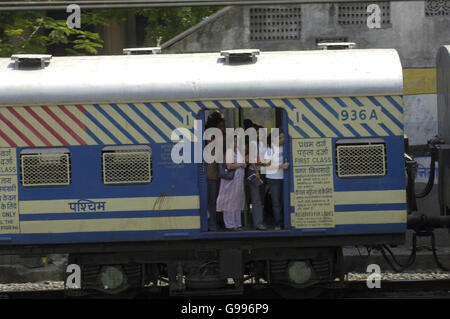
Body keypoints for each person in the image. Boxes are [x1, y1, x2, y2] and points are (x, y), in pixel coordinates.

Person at [216, 136, 246, 231]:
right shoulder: (229, 152)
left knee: (237, 200)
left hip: (237, 180)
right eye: (235, 141)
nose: (237, 143)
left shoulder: (237, 151)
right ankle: (230, 224)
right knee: (229, 200)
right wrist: (241, 165)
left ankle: (237, 222)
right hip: (231, 180)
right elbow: (229, 166)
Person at [264, 130, 289, 230]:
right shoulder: (269, 150)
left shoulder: (285, 147)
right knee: (276, 202)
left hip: (284, 178)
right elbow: (267, 166)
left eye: (283, 137)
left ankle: (285, 222)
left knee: (285, 201)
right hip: (273, 178)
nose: (282, 140)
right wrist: (281, 166)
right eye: (280, 138)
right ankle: (278, 224)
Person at [205, 111, 225, 231]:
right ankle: (211, 224)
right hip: (211, 176)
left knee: (213, 201)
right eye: (221, 127)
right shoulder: (212, 140)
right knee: (211, 202)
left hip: (214, 175)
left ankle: (213, 222)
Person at [246, 124, 268, 230]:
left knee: (261, 198)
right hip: (254, 173)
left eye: (261, 133)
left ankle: (259, 221)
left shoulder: (263, 144)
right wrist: (256, 173)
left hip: (262, 172)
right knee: (256, 199)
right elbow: (252, 159)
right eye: (257, 133)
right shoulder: (253, 143)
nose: (259, 134)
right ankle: (258, 223)